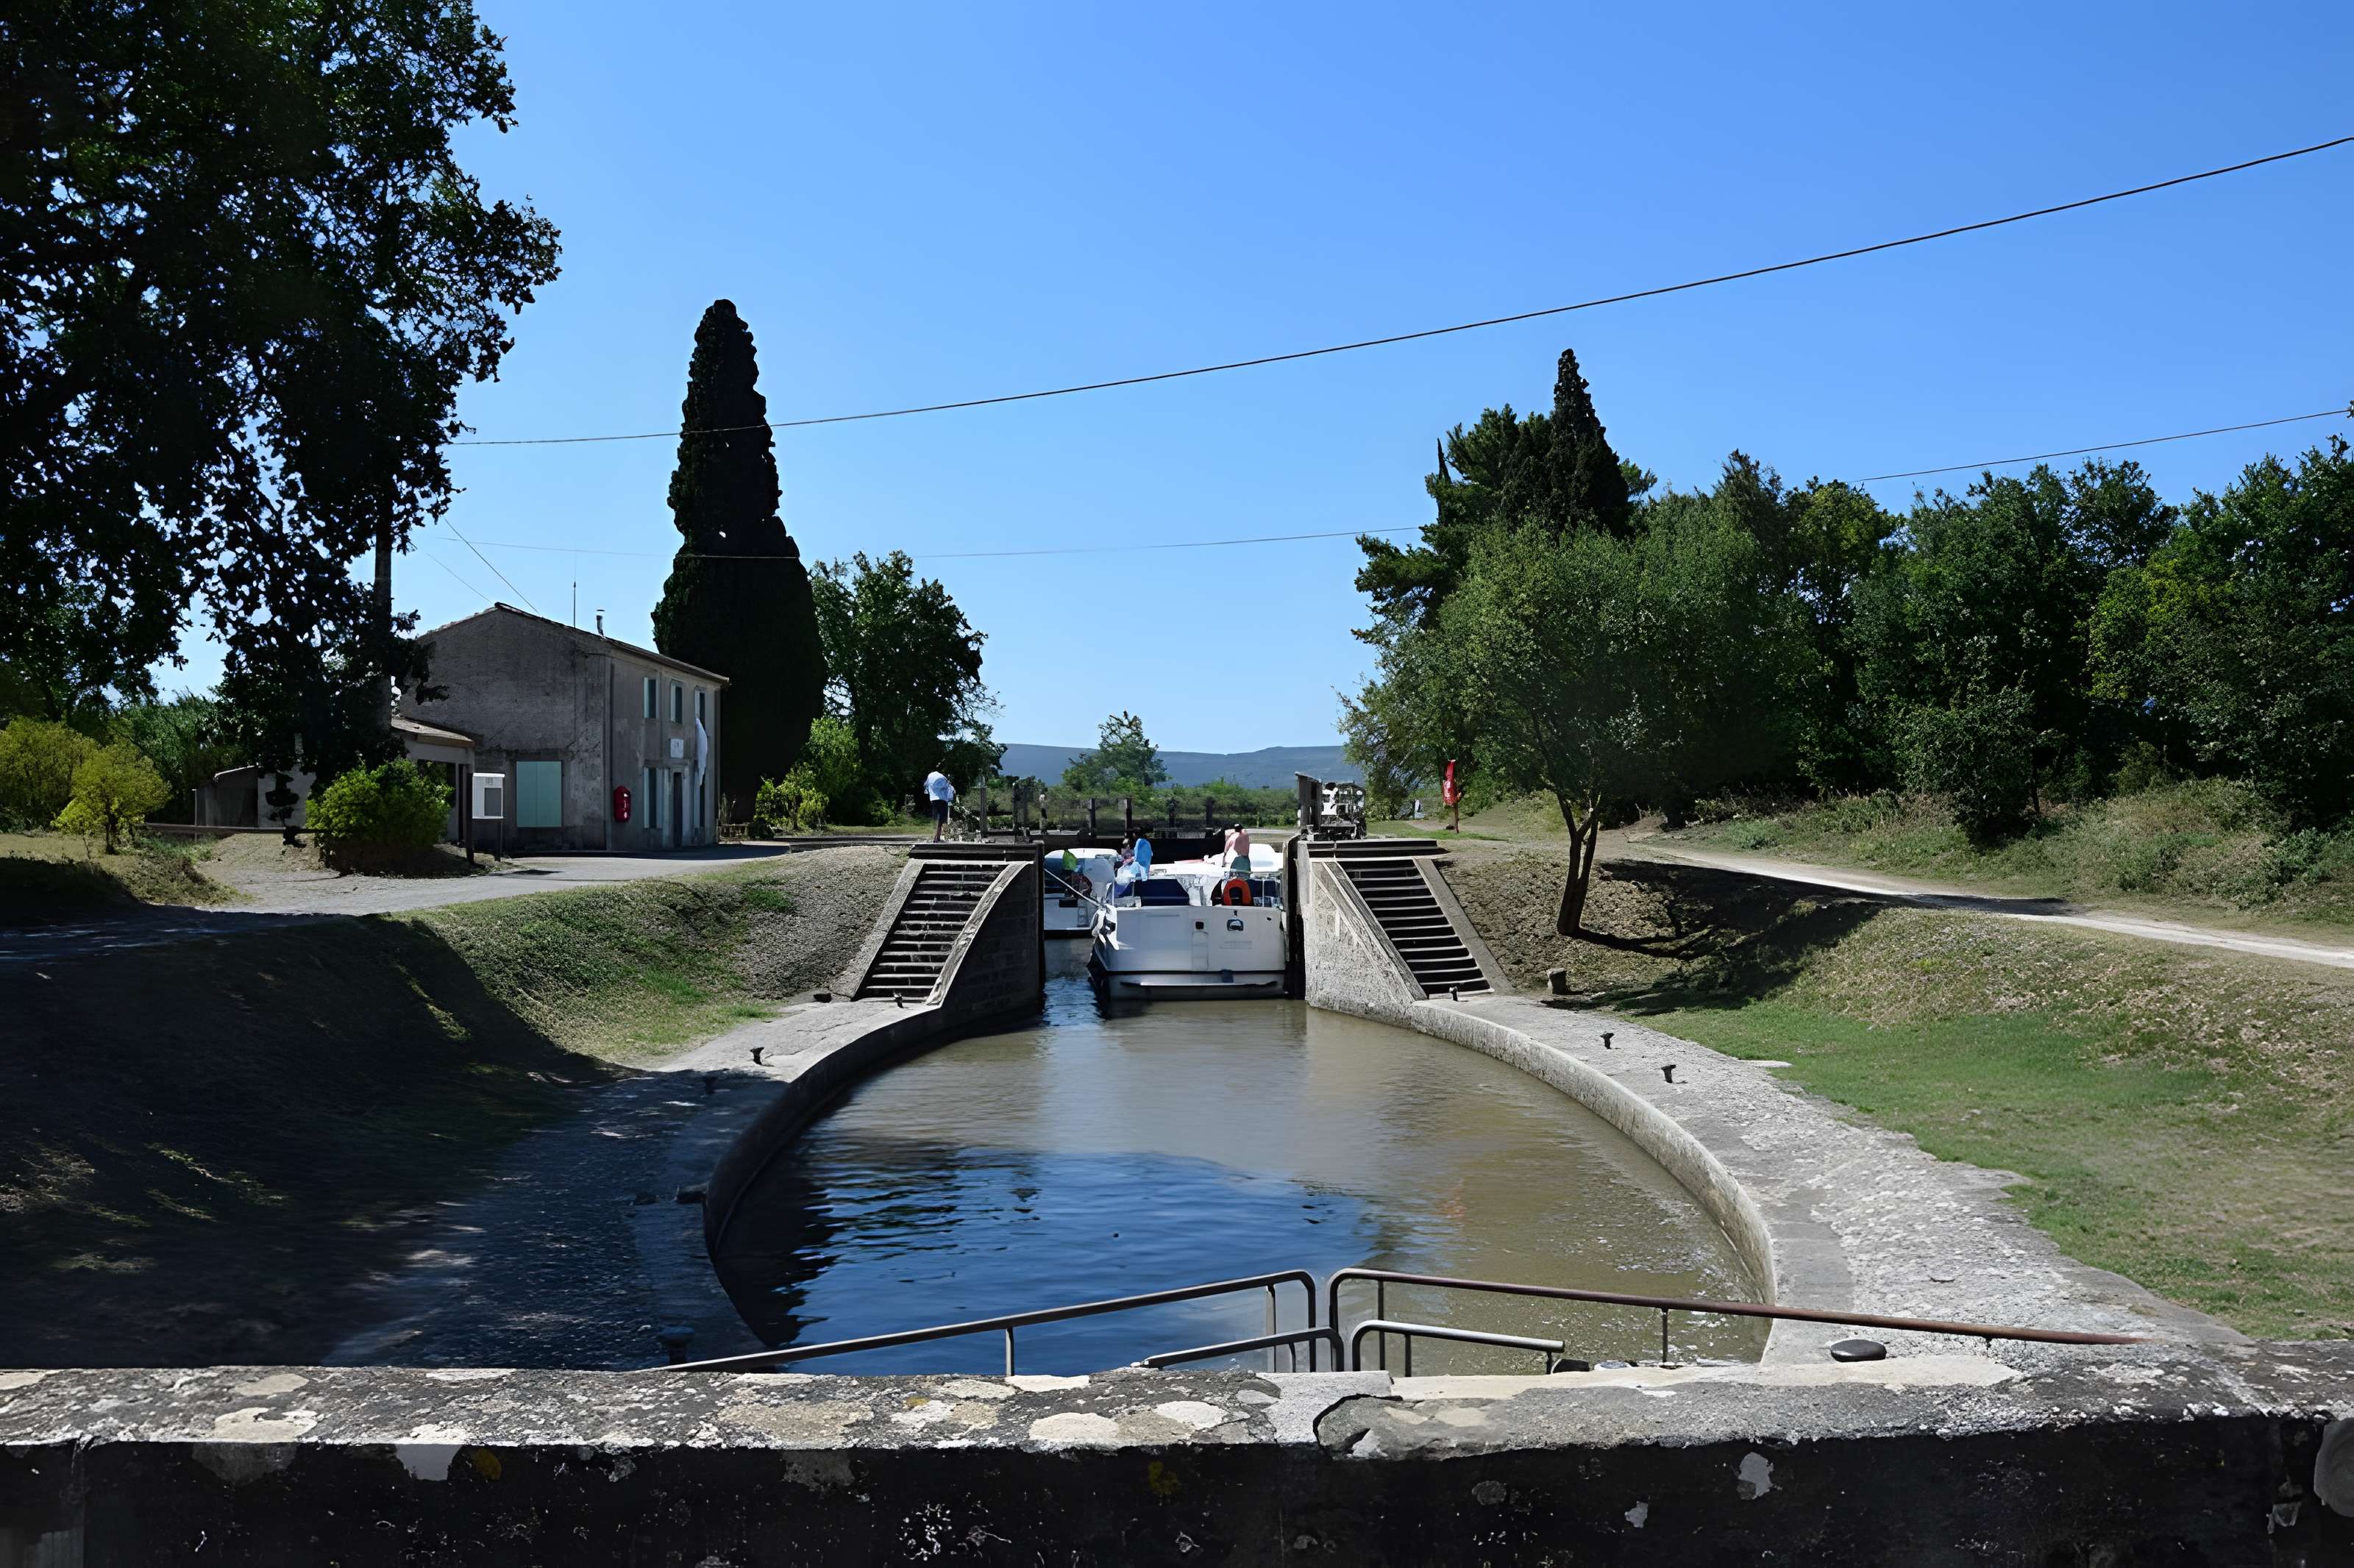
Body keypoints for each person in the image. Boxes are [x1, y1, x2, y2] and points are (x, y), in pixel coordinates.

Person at [923, 766, 956, 842]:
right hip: (943, 800)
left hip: (934, 799)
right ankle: (936, 837)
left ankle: (936, 836)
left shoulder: (930, 777)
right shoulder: (943, 778)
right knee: (940, 818)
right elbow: (948, 789)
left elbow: (926, 786)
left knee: (937, 817)